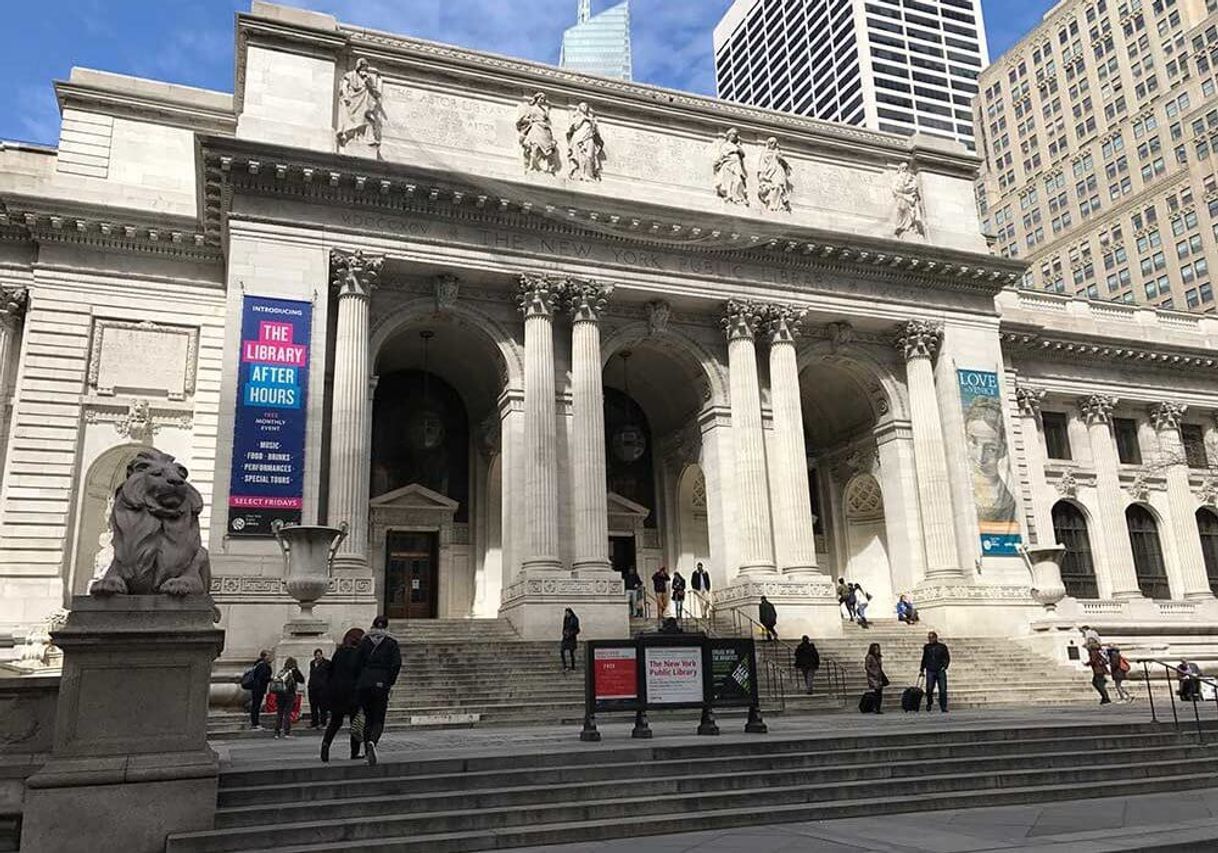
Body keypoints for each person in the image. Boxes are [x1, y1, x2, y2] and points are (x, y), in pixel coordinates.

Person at [356, 615, 402, 766]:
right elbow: (396, 664)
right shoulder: (391, 642)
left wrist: (360, 680)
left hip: (364, 683)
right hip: (381, 682)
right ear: (386, 626)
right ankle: (373, 742)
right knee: (378, 719)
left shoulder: (364, 641)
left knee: (368, 718)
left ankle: (366, 751)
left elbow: (357, 663)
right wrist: (389, 681)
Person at [320, 627, 365, 763]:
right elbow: (360, 673)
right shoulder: (359, 654)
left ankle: (326, 744)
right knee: (355, 722)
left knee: (335, 721)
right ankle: (354, 751)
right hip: (352, 692)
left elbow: (331, 671)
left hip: (337, 692)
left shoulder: (339, 652)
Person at [270, 656, 305, 739]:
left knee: (279, 713)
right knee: (287, 713)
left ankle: (277, 732)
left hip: (280, 694)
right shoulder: (294, 671)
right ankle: (286, 732)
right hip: (289, 694)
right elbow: (302, 680)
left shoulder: (282, 671)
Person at [712, 128, 748, 205]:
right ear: (728, 135)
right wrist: (734, 150)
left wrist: (738, 146)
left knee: (738, 180)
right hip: (728, 164)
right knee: (728, 181)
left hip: (737, 164)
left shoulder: (737, 146)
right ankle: (729, 195)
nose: (734, 136)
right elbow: (723, 154)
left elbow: (743, 154)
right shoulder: (725, 145)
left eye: (735, 135)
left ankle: (738, 196)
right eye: (732, 134)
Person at [920, 631, 951, 713]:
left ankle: (943, 706)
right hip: (930, 669)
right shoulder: (927, 647)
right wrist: (922, 669)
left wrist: (945, 666)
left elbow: (947, 657)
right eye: (929, 638)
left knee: (943, 689)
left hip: (940, 670)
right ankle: (929, 703)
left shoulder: (942, 647)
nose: (930, 639)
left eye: (932, 638)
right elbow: (924, 658)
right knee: (929, 688)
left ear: (935, 638)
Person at [246, 650, 272, 730]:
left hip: (256, 687)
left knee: (255, 705)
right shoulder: (263, 665)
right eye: (268, 655)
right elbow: (262, 677)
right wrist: (271, 679)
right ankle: (255, 723)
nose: (269, 657)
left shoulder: (258, 664)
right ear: (264, 657)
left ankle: (254, 722)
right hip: (259, 688)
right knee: (256, 706)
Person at [307, 648, 331, 729]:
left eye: (319, 655)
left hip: (322, 688)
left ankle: (323, 722)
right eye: (316, 655)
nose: (318, 657)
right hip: (312, 687)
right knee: (313, 706)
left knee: (322, 706)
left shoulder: (326, 663)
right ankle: (314, 722)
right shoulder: (312, 663)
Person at [865, 643, 888, 714]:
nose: (877, 650)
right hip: (873, 677)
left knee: (879, 692)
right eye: (875, 649)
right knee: (877, 691)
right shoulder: (869, 657)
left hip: (879, 676)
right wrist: (873, 673)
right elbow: (867, 667)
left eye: (878, 648)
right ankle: (876, 708)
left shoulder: (878, 657)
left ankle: (878, 707)